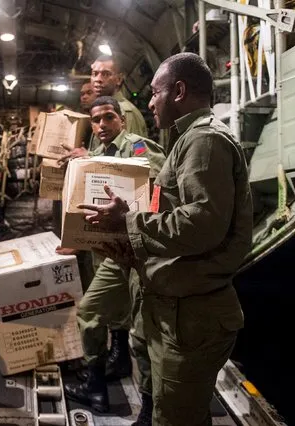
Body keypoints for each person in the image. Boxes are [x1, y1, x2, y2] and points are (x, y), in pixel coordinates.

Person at [80, 52, 250, 425]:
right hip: (176, 308)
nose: (151, 101)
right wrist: (133, 253)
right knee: (168, 411)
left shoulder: (204, 142)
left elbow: (203, 225)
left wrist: (129, 222)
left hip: (192, 318)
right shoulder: (187, 139)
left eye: (155, 93)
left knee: (176, 418)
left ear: (179, 91)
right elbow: (173, 218)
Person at [61, 97, 165, 422]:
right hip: (114, 255)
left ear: (121, 119)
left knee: (141, 332)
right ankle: (97, 388)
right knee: (94, 312)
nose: (102, 125)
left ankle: (147, 411)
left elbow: (161, 184)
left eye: (108, 118)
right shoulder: (97, 156)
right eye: (96, 120)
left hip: (139, 254)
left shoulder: (134, 147)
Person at [90, 55, 148, 144]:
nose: (98, 79)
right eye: (95, 74)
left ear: (119, 79)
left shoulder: (126, 111)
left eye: (105, 74)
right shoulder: (101, 109)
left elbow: (135, 150)